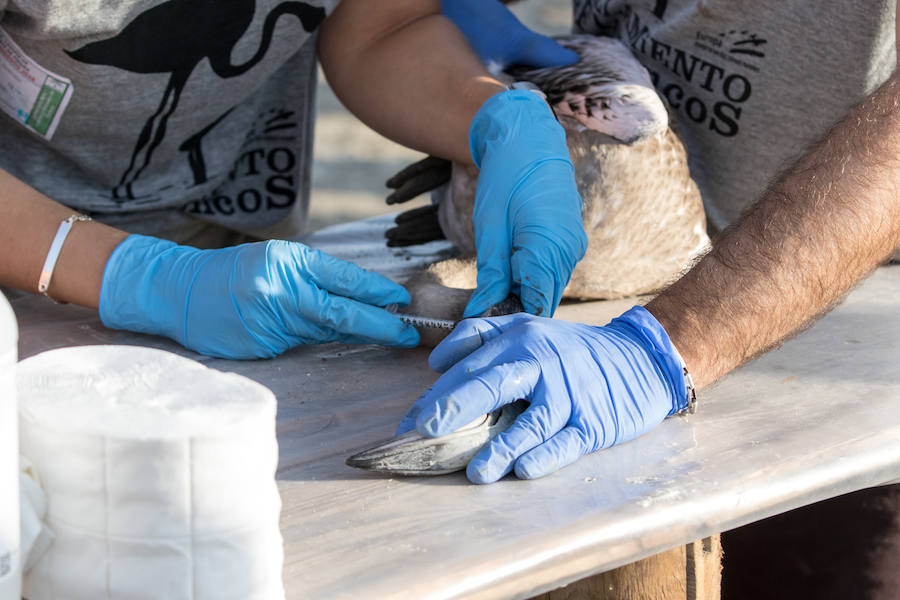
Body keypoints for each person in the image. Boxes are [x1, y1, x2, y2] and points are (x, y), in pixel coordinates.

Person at [401, 0, 900, 482]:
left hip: (826, 299)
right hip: (610, 228)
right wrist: (470, 118)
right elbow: (388, 24)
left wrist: (660, 351)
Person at [0, 0, 586, 359]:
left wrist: (492, 117)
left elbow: (384, 25)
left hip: (237, 244)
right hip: (21, 255)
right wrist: (143, 279)